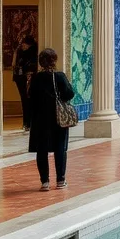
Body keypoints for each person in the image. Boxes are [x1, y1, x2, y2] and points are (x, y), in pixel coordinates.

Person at [27, 48, 74, 191]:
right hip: (58, 118)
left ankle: (45, 182)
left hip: (40, 119)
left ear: (41, 62)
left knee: (42, 150)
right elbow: (69, 94)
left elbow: (30, 98)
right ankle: (60, 180)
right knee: (60, 148)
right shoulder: (59, 76)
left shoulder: (36, 78)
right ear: (54, 60)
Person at [12, 34, 37, 132]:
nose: (22, 45)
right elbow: (13, 65)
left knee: (27, 100)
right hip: (21, 79)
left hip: (26, 79)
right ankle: (27, 123)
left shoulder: (31, 53)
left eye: (24, 43)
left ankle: (28, 123)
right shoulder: (21, 53)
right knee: (25, 100)